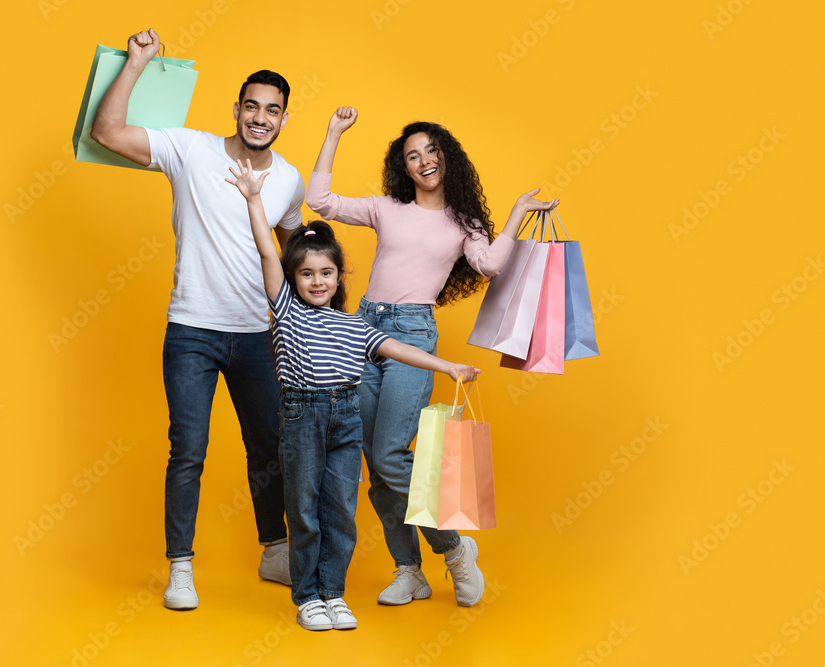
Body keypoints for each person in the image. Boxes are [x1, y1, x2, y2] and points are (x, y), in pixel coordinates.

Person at [306, 107, 559, 607]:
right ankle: (410, 572)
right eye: (411, 155)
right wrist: (334, 132)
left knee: (390, 456)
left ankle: (455, 548)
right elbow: (321, 202)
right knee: (377, 469)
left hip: (413, 335)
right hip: (363, 331)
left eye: (430, 151)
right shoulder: (386, 208)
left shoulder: (462, 222)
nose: (422, 160)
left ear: (447, 157)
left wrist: (515, 214)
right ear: (403, 167)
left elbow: (488, 264)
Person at [89, 28, 305, 610]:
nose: (261, 117)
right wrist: (136, 64)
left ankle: (276, 551)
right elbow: (105, 132)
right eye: (252, 106)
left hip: (258, 335)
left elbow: (286, 252)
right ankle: (180, 568)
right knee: (188, 447)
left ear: (283, 120)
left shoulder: (288, 180)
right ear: (235, 109)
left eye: (273, 111)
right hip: (192, 330)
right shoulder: (189, 149)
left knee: (269, 445)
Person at [226, 158, 480, 630]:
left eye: (326, 273)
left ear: (340, 277)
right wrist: (254, 199)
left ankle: (333, 593)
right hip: (301, 418)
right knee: (304, 510)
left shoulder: (353, 326)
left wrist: (448, 366)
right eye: (307, 274)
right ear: (293, 280)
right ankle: (308, 598)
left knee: (341, 510)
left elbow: (399, 348)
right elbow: (267, 253)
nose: (317, 281)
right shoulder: (285, 310)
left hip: (344, 418)